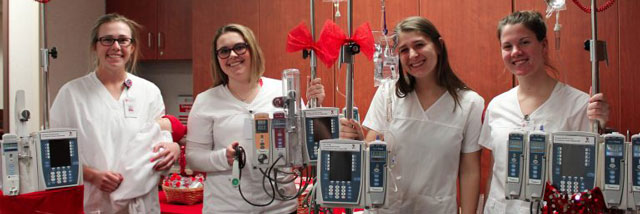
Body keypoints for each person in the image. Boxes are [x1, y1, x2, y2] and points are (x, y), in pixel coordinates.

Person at [340, 16, 483, 213]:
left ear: (439, 46)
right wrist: (356, 139)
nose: (413, 55)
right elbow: (372, 149)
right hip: (387, 207)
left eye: (419, 45)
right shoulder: (387, 93)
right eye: (404, 50)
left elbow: (470, 171)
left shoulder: (470, 103)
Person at [185, 23, 326, 213]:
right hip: (226, 208)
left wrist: (315, 108)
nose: (233, 55)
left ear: (252, 50)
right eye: (224, 51)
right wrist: (223, 157)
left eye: (239, 47)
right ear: (217, 59)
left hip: (280, 207)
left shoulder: (283, 91)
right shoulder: (206, 101)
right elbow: (193, 158)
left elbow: (304, 147)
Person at [480, 10, 610, 214]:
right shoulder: (497, 106)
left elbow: (594, 175)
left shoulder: (578, 105)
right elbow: (494, 172)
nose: (515, 52)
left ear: (544, 45)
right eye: (507, 46)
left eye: (524, 42)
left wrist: (601, 125)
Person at [50, 13, 180, 213]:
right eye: (107, 40)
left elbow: (159, 139)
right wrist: (93, 175)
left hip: (140, 204)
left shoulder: (149, 92)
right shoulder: (72, 94)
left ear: (132, 47)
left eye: (123, 40)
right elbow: (57, 154)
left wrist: (172, 148)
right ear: (95, 46)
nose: (116, 47)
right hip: (92, 202)